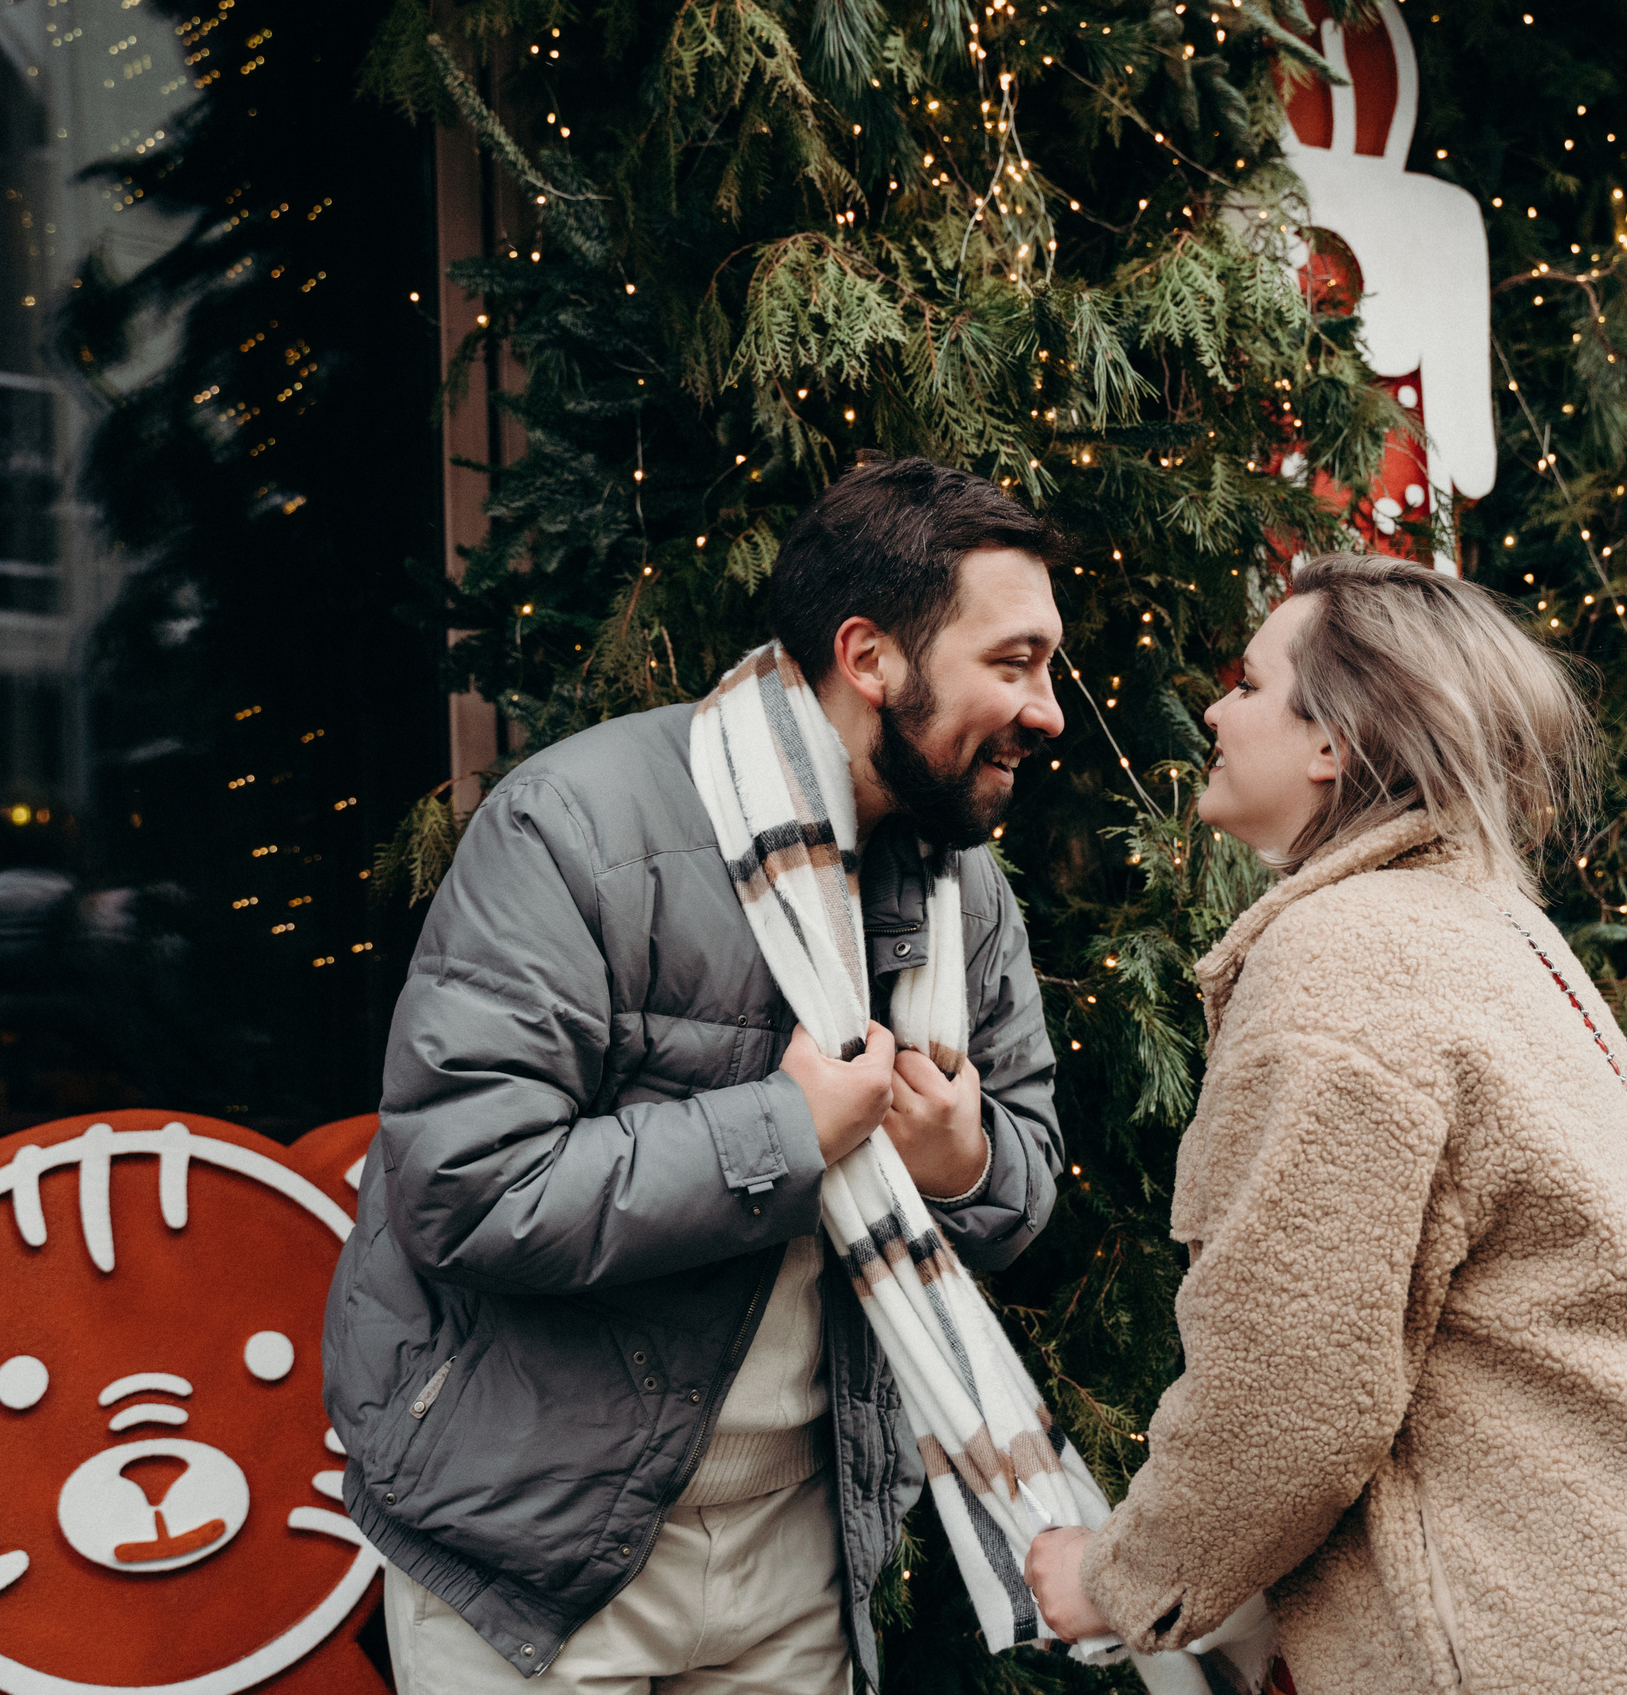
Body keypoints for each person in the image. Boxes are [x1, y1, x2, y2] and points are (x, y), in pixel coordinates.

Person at [1023, 555, 1627, 1694]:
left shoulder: (1344, 962)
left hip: (1560, 1645)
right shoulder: (1493, 932)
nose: (1214, 708)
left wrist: (1119, 1577)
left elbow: (1291, 1389)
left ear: (1332, 743)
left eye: (1249, 683)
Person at [323, 457, 1071, 1693]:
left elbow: (1024, 1179)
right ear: (869, 656)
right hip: (533, 1554)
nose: (1047, 709)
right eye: (1014, 662)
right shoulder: (573, 823)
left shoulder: (957, 886)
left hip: (799, 1549)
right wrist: (787, 1129)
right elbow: (468, 1187)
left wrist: (965, 1159)